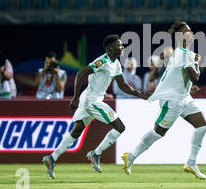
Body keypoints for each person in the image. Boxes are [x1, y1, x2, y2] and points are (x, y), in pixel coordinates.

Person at [42, 35, 148, 179]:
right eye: (119, 45)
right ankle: (96, 154)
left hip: (92, 98)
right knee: (120, 127)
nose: (122, 47)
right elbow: (81, 73)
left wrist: (140, 94)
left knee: (77, 130)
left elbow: (122, 85)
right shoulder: (102, 61)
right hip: (92, 100)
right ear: (110, 48)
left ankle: (52, 158)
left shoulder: (115, 63)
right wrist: (75, 97)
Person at [121, 21, 206, 179]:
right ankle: (131, 157)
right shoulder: (183, 54)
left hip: (183, 97)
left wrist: (188, 87)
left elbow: (180, 77)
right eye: (188, 31)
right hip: (172, 100)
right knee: (158, 133)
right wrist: (197, 61)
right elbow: (195, 76)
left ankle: (191, 163)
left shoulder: (182, 53)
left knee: (202, 126)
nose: (191, 32)